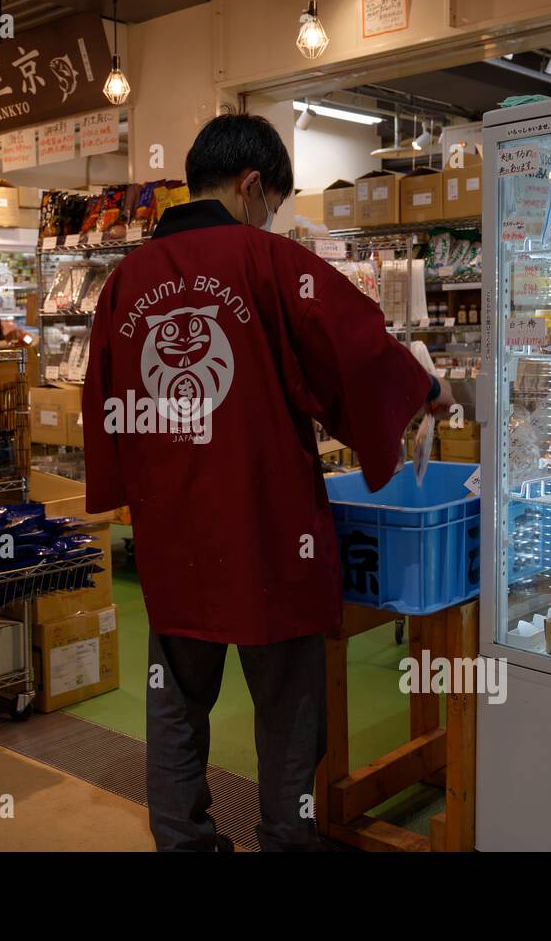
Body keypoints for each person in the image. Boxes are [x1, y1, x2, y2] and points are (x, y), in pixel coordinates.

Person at [82, 113, 454, 852]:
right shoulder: (268, 262)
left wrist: (135, 491)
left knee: (176, 699)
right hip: (269, 526)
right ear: (252, 186)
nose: (271, 217)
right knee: (288, 703)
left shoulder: (125, 283)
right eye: (274, 203)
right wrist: (424, 390)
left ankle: (184, 842)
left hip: (171, 530)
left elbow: (105, 403)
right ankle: (288, 837)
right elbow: (353, 345)